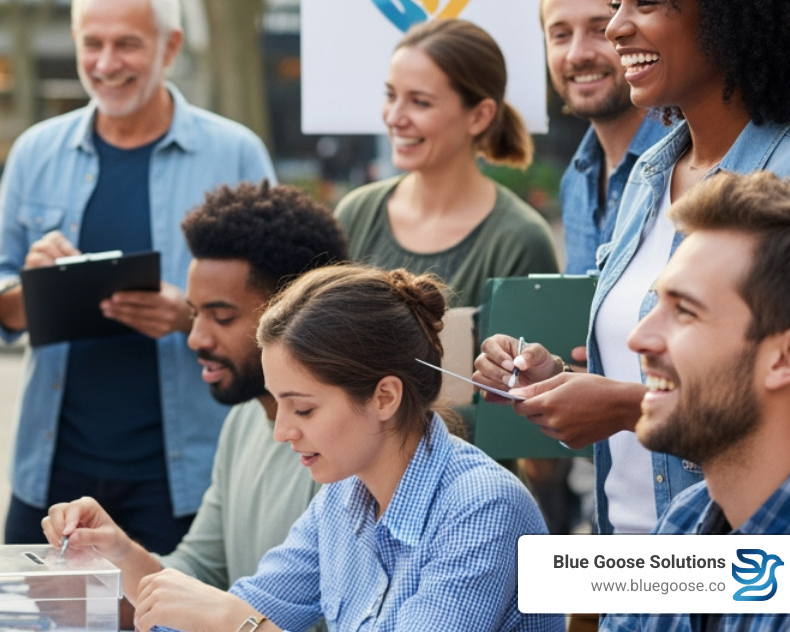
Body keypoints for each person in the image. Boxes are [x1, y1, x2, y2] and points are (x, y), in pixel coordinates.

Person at [476, 0, 790, 536]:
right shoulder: (648, 177)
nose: (616, 28)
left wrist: (628, 406)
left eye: (646, 1)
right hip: (631, 564)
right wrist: (557, 378)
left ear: (729, 8)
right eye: (614, 4)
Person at [0, 0, 276, 554]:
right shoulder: (35, 152)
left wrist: (192, 317)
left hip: (186, 479)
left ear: (171, 47)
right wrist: (30, 287)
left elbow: (288, 310)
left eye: (127, 44)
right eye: (93, 43)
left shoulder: (235, 154)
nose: (106, 63)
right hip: (51, 470)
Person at [129, 264, 560, 632]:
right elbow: (229, 609)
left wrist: (239, 623)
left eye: (302, 408)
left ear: (384, 397)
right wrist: (117, 554)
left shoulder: (483, 508)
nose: (281, 432)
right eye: (278, 404)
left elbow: (237, 617)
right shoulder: (343, 497)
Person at [43, 181, 347, 600]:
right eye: (193, 314)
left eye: (221, 317)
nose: (195, 338)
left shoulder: (348, 443)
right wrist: (116, 550)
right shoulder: (242, 420)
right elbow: (199, 570)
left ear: (296, 313)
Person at [599, 171, 790, 632]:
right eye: (656, 304)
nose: (638, 338)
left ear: (788, 356)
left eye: (685, 312)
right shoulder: (684, 521)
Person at [336, 18, 557, 310]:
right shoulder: (355, 214)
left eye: (420, 102)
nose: (394, 117)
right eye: (391, 95)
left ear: (479, 116)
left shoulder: (519, 240)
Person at [542, 0, 668, 276]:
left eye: (600, 29)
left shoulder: (691, 167)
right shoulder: (576, 181)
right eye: (560, 34)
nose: (577, 54)